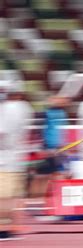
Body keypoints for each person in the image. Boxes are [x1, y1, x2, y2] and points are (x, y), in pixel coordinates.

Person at [0, 89, 34, 241]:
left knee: (4, 196)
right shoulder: (25, 107)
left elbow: (2, 132)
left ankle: (3, 229)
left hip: (5, 159)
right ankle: (9, 228)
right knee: (13, 196)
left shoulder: (8, 108)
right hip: (17, 159)